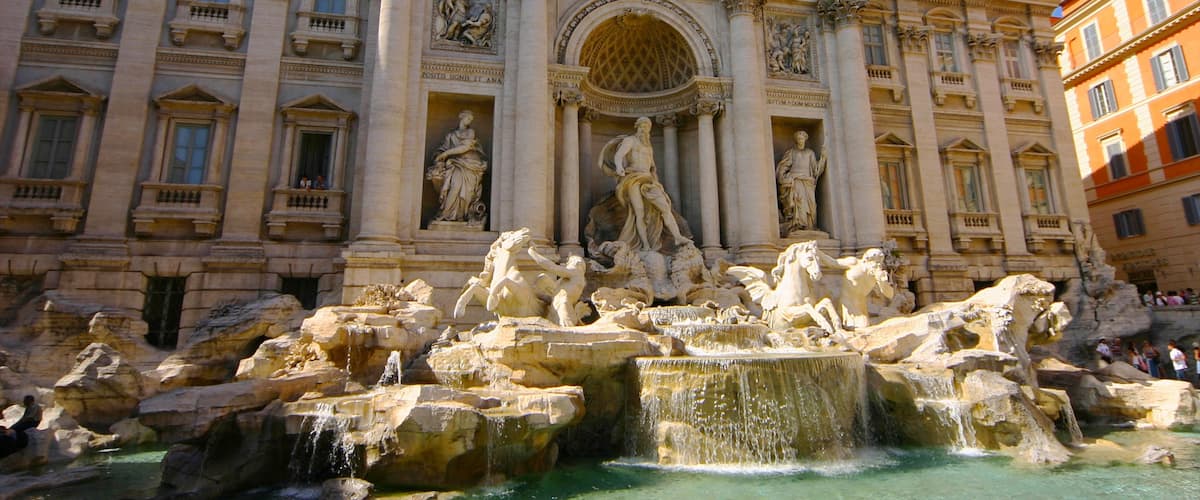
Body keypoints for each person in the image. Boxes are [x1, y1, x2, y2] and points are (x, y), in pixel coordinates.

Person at [605, 117, 689, 251]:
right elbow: (619, 155)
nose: (644, 130)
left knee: (665, 208)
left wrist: (656, 182)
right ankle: (645, 245)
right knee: (639, 212)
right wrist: (619, 167)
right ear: (637, 127)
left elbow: (652, 167)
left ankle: (677, 237)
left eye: (647, 127)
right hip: (632, 178)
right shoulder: (630, 141)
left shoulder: (648, 147)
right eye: (642, 127)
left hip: (648, 180)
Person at [427, 110, 489, 223]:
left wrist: (445, 154)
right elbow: (442, 149)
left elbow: (465, 148)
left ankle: (461, 216)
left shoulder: (470, 132)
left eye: (471, 120)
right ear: (462, 118)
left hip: (470, 165)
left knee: (467, 192)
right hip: (455, 164)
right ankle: (446, 214)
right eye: (468, 118)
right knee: (455, 187)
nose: (469, 121)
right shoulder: (450, 135)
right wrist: (439, 156)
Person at [776, 130, 827, 234]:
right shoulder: (791, 152)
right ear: (796, 140)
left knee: (811, 205)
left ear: (805, 139)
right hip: (796, 180)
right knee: (799, 202)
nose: (801, 140)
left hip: (807, 181)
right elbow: (783, 167)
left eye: (802, 138)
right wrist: (783, 177)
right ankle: (799, 225)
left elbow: (816, 169)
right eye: (799, 139)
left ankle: (810, 225)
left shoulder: (810, 153)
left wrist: (823, 158)